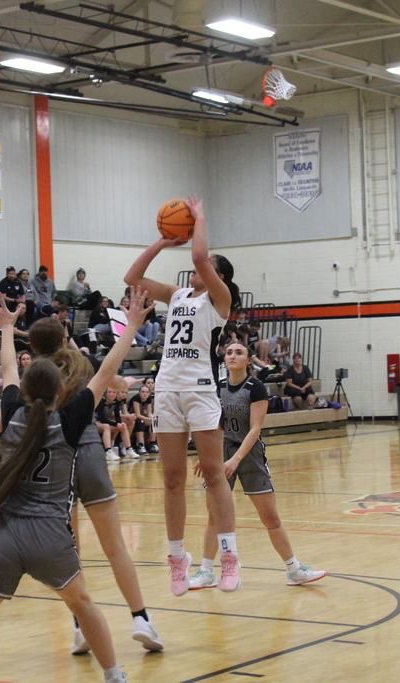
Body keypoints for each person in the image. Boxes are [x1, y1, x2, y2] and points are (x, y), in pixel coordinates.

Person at [0, 291, 149, 683]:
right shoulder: (70, 420)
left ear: (23, 389)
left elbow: (7, 367)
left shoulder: (12, 411)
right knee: (84, 604)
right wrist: (133, 327)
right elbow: (107, 370)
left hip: (2, 536)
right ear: (60, 391)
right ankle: (114, 676)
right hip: (50, 537)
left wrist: (6, 328)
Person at [0, 310, 164, 657]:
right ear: (64, 335)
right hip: (85, 449)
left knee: (70, 550)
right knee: (115, 545)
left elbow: (0, 419)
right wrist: (126, 375)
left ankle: (79, 627)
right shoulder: (81, 363)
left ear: (32, 346)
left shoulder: (31, 378)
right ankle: (140, 617)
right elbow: (109, 377)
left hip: (57, 466)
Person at [124, 194, 242, 596]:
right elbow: (132, 279)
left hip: (200, 391)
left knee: (212, 475)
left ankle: (228, 555)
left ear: (218, 276)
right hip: (168, 390)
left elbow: (198, 259)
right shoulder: (176, 296)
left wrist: (200, 218)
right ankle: (178, 558)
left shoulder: (220, 301)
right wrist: (161, 241)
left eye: (210, 269)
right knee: (172, 480)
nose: (200, 270)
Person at [188, 342, 326, 590]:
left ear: (248, 360)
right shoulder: (217, 388)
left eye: (238, 352)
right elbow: (214, 426)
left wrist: (235, 459)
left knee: (270, 517)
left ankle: (293, 569)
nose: (232, 355)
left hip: (249, 454)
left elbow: (255, 428)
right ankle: (206, 571)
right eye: (229, 352)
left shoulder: (256, 388)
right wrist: (207, 456)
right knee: (213, 516)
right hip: (221, 454)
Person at [95, 389, 132, 461]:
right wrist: (115, 424)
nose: (112, 394)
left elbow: (117, 416)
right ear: (105, 394)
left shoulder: (116, 402)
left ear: (116, 394)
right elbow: (101, 418)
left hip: (105, 422)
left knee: (123, 426)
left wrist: (119, 423)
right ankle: (108, 451)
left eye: (114, 392)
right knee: (106, 427)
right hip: (95, 422)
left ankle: (128, 449)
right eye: (109, 392)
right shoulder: (101, 401)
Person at [127, 384, 157, 455]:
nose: (145, 394)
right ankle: (140, 445)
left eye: (147, 392)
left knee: (154, 421)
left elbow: (149, 413)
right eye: (143, 392)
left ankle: (152, 443)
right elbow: (137, 414)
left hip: (141, 417)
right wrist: (149, 419)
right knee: (140, 422)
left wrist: (153, 418)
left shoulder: (148, 398)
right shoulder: (136, 398)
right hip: (131, 417)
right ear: (139, 392)